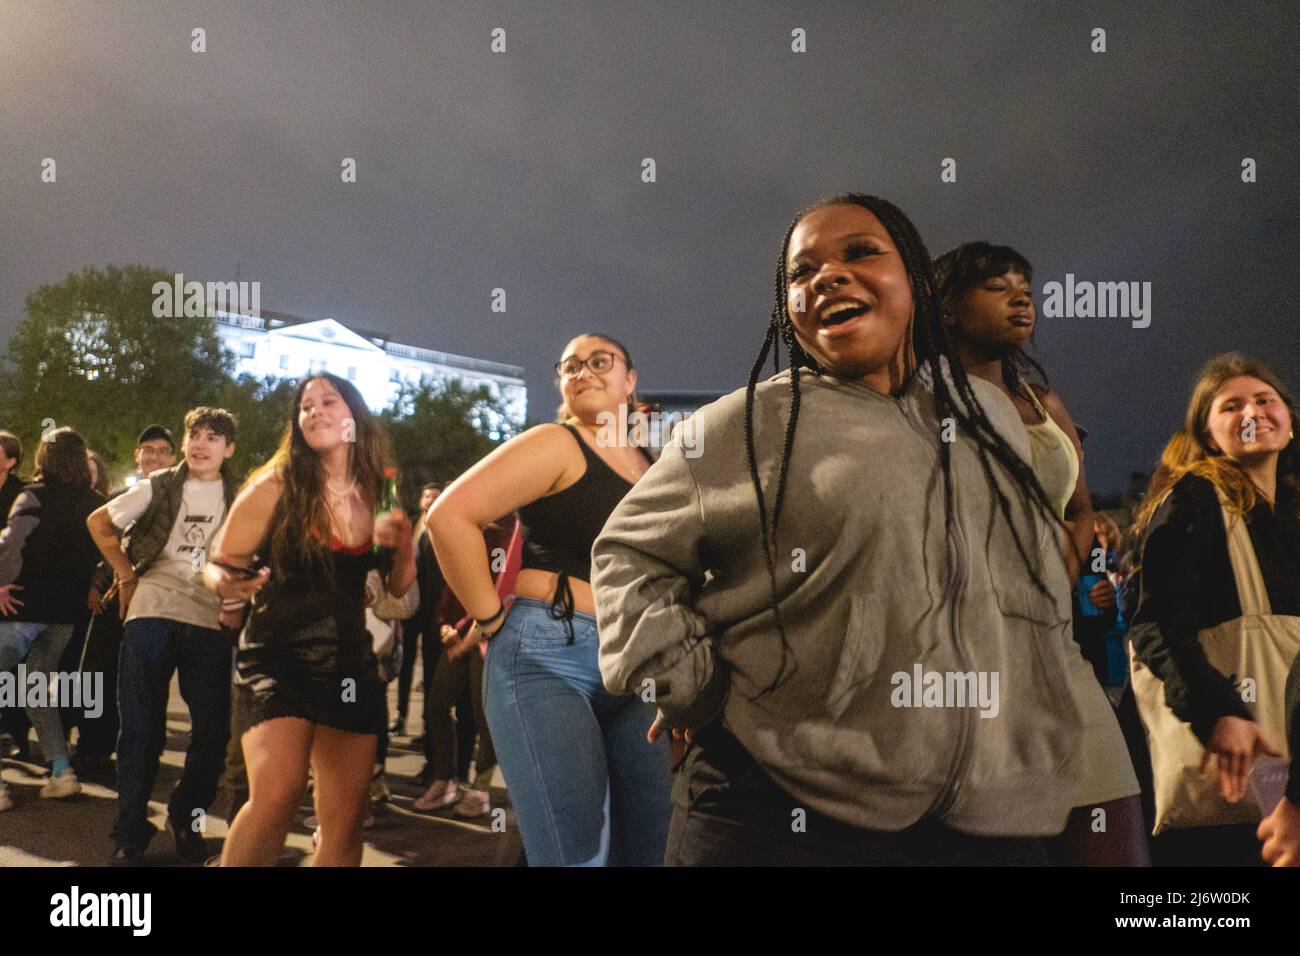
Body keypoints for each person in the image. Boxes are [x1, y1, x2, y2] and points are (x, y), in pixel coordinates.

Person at [593, 194, 1086, 866]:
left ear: (913, 279)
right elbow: (628, 554)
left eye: (860, 253)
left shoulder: (989, 416)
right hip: (776, 813)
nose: (826, 276)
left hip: (986, 822)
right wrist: (686, 684)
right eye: (803, 272)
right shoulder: (747, 424)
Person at [932, 241, 1145, 865]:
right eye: (997, 285)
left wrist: (1065, 562)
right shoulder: (921, 400)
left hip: (1055, 647)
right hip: (962, 660)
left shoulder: (1042, 401)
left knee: (1116, 843)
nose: (1020, 296)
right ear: (946, 307)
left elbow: (1080, 510)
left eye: (1024, 285)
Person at [428, 334, 670, 866]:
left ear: (630, 379)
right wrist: (491, 622)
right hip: (549, 655)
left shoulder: (656, 465)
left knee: (651, 849)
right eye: (570, 365)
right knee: (575, 854)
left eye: (599, 361)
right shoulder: (557, 443)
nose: (583, 370)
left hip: (638, 668)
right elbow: (449, 517)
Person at [205, 373, 415, 867]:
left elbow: (400, 588)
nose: (314, 411)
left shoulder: (378, 489)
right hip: (278, 658)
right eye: (304, 406)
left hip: (349, 664)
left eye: (328, 401)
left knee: (344, 824)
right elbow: (218, 562)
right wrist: (226, 585)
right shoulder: (275, 485)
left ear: (353, 417)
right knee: (277, 796)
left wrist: (404, 543)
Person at [1129, 353, 1300, 866]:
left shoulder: (1289, 513)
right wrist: (1219, 709)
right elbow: (1156, 622)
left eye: (1265, 399)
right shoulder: (1196, 500)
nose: (1253, 412)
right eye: (1231, 406)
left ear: (1289, 421)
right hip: (1233, 756)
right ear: (1207, 436)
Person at [87, 409, 240, 864]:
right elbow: (99, 523)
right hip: (153, 604)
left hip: (209, 614)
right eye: (195, 434)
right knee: (140, 726)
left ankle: (186, 816)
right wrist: (126, 575)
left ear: (228, 448)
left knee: (213, 733)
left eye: (213, 437)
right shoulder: (159, 486)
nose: (201, 443)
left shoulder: (242, 494)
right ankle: (129, 830)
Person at [0, 427, 105, 811]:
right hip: (65, 617)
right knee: (34, 690)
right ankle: (62, 772)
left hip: (21, 610)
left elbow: (11, 545)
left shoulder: (33, 495)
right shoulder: (95, 502)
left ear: (43, 457)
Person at [76, 425, 177, 777]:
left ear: (173, 458)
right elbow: (101, 548)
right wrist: (96, 584)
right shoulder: (119, 498)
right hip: (111, 598)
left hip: (154, 603)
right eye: (147, 450)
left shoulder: (178, 502)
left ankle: (143, 755)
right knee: (97, 674)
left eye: (161, 451)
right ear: (138, 455)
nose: (153, 456)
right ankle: (92, 749)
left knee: (148, 680)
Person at [392, 482, 445, 738]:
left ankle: (428, 724)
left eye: (436, 496)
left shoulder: (445, 527)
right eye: (427, 495)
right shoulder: (412, 524)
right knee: (405, 664)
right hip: (410, 608)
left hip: (434, 609)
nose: (430, 499)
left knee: (431, 669)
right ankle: (400, 715)